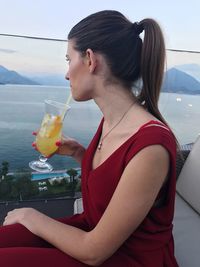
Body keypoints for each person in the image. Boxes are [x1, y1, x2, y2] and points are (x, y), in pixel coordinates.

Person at [0, 10, 179, 267]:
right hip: (93, 232)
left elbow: (94, 252)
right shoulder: (112, 120)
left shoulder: (151, 147)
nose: (66, 74)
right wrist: (80, 155)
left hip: (123, 257)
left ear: (90, 60)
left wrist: (31, 216)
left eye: (68, 59)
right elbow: (114, 190)